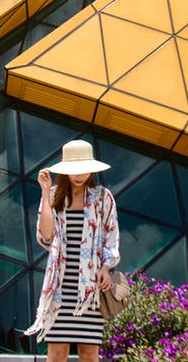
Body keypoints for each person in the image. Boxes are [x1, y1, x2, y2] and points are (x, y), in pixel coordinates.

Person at [23, 139, 120, 362]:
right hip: (59, 289)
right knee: (56, 353)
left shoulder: (103, 197)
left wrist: (106, 268)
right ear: (65, 170)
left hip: (89, 289)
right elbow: (46, 235)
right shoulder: (55, 195)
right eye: (74, 170)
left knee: (89, 353)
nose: (80, 175)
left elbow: (111, 238)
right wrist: (45, 192)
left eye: (84, 170)